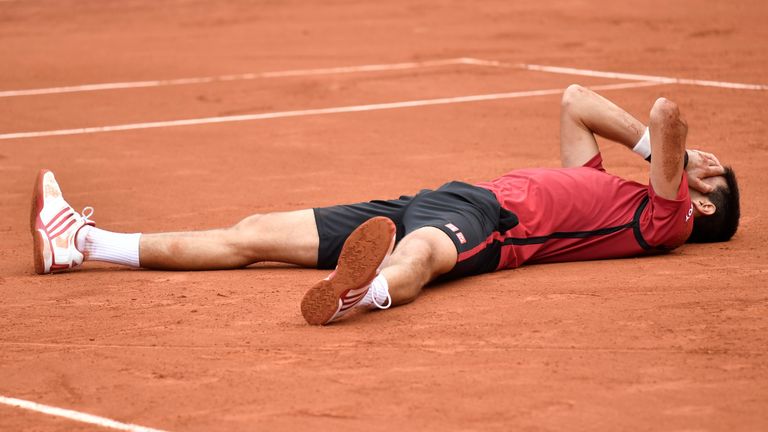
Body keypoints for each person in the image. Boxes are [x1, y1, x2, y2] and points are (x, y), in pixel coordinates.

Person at [30, 84, 740, 325]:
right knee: (252, 234)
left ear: (702, 205)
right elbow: (574, 100)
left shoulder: (665, 219)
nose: (701, 165)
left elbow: (666, 111)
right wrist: (649, 156)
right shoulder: (609, 191)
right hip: (444, 196)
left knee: (423, 255)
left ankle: (365, 295)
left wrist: (676, 158)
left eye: (711, 173)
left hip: (490, 226)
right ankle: (85, 245)